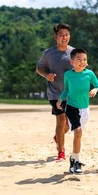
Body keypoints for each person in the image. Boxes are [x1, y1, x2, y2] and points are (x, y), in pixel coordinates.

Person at [57, 48, 98, 174]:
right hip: (71, 107)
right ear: (72, 62)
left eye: (85, 60)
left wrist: (95, 90)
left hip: (85, 109)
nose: (82, 62)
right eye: (79, 59)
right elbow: (66, 90)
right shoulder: (68, 75)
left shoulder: (89, 74)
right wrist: (60, 99)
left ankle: (72, 158)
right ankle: (77, 161)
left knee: (79, 134)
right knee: (78, 132)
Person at [36, 23, 74, 162]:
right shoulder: (48, 53)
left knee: (68, 125)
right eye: (61, 35)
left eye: (66, 35)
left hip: (71, 93)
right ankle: (61, 152)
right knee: (61, 119)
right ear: (55, 37)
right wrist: (46, 75)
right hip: (55, 93)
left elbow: (82, 67)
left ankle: (58, 137)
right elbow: (39, 68)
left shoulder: (74, 53)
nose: (64, 37)